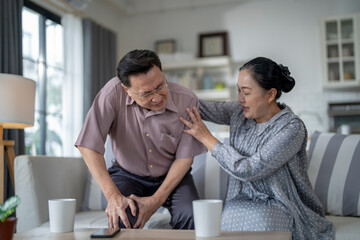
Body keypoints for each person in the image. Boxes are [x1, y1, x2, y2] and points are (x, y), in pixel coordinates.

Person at [180, 57, 334, 239]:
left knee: (260, 223)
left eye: (246, 92)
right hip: (239, 202)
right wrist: (163, 88)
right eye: (238, 91)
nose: (240, 99)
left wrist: (206, 138)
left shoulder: (291, 128)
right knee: (225, 225)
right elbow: (198, 107)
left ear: (270, 95)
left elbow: (249, 169)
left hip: (280, 205)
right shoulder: (238, 112)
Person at [75, 49, 206, 229]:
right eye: (146, 94)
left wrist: (155, 201)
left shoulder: (187, 100)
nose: (157, 97)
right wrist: (113, 197)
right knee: (122, 218)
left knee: (191, 216)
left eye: (160, 85)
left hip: (173, 176)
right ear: (126, 90)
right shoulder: (112, 94)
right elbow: (88, 145)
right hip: (127, 174)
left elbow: (184, 158)